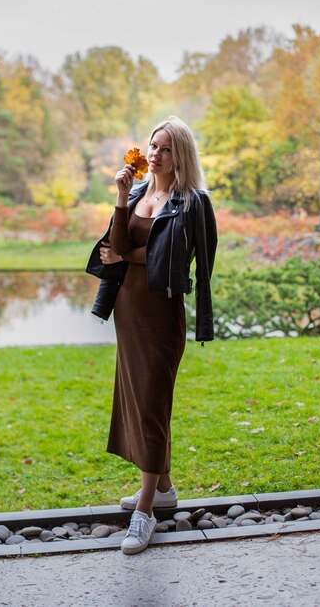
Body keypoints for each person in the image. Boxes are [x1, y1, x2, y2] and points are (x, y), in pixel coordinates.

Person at [86, 116, 217, 555]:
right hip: (128, 310)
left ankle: (145, 513)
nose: (155, 155)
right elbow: (113, 246)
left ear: (180, 154)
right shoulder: (139, 192)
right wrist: (122, 199)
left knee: (152, 404)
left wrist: (128, 254)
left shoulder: (193, 202)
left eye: (164, 148)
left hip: (161, 314)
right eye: (152, 146)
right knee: (140, 401)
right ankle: (162, 489)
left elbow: (175, 263)